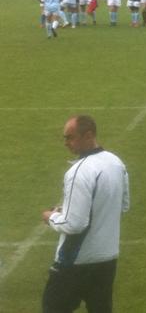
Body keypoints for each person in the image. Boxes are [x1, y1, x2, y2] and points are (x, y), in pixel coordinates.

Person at [42, 115, 130, 313]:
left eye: (70, 137)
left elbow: (74, 224)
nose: (66, 143)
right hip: (107, 259)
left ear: (88, 135)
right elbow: (122, 206)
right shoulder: (116, 163)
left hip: (75, 261)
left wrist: (50, 217)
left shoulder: (78, 172)